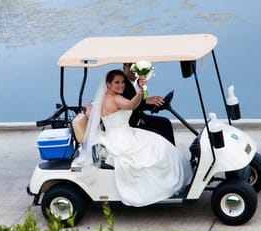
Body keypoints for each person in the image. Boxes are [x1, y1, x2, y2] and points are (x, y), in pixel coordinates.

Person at [82, 69, 192, 207]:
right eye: (117, 82)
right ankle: (167, 183)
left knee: (157, 141)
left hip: (118, 134)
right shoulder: (116, 98)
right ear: (108, 84)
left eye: (122, 82)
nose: (121, 85)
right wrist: (141, 90)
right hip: (121, 139)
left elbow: (92, 115)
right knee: (158, 148)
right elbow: (131, 105)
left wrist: (87, 111)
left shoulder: (103, 98)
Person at [122, 62, 176, 145]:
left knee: (165, 123)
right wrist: (148, 100)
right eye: (130, 66)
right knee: (156, 133)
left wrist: (158, 104)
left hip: (140, 116)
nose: (133, 69)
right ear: (124, 67)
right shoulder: (122, 85)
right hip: (131, 122)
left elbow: (143, 104)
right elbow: (131, 104)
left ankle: (172, 151)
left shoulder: (137, 83)